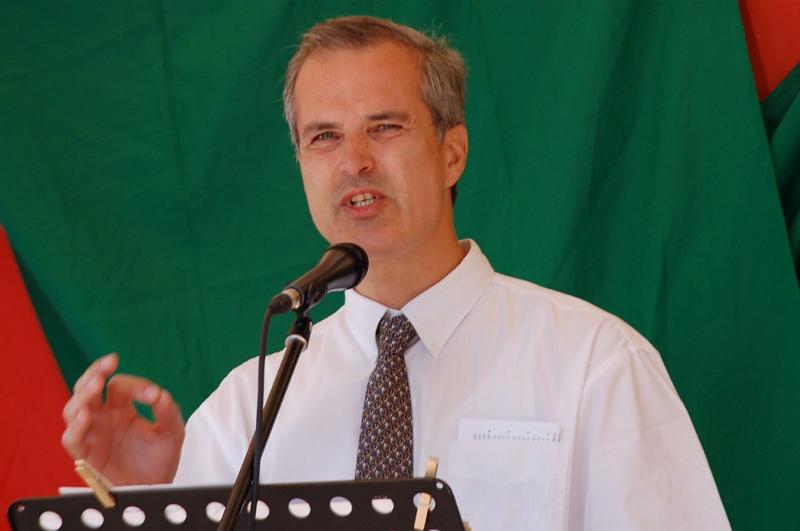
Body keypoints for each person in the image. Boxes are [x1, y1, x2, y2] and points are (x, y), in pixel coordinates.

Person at [61, 15, 730, 530]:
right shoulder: (250, 405)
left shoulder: (595, 366)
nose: (353, 161)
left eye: (384, 128)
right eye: (324, 136)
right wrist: (151, 495)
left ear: (452, 152)